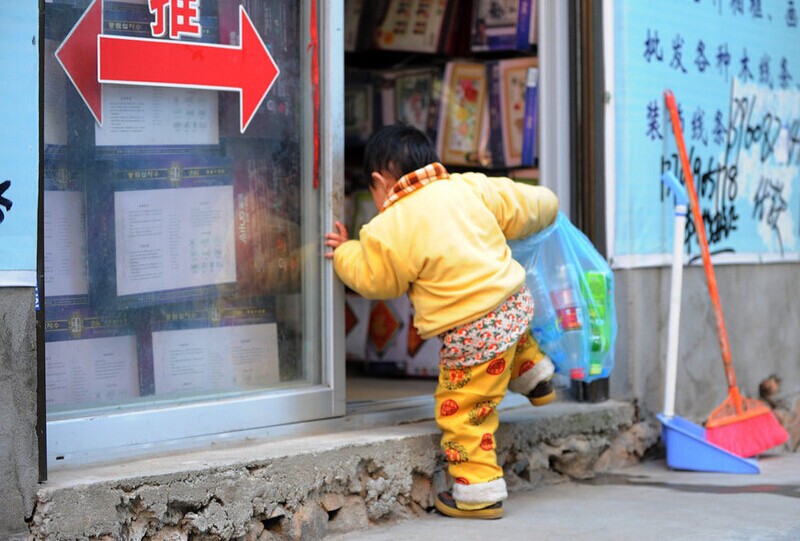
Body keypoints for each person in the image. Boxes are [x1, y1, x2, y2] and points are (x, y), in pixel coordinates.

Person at [325, 125, 559, 520]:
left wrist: (346, 251)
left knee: (464, 412)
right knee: (509, 334)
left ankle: (479, 492)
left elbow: (376, 280)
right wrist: (550, 207)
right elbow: (526, 204)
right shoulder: (468, 186)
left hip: (472, 332)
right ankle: (536, 375)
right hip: (514, 302)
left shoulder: (390, 226)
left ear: (380, 182)